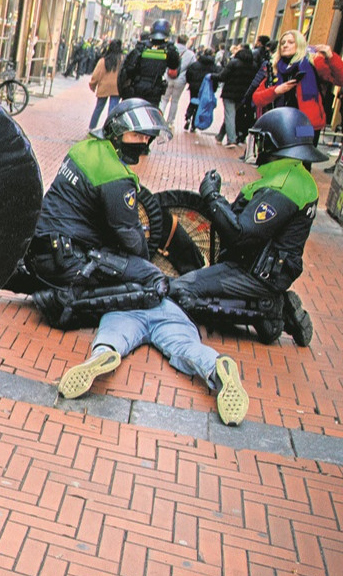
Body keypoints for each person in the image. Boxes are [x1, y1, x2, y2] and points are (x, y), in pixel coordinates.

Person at [170, 107, 323, 347]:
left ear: (277, 143)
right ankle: (268, 305)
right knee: (194, 276)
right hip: (266, 268)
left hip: (253, 272)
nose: (257, 146)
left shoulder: (283, 187)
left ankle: (271, 309)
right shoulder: (295, 175)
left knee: (180, 292)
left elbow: (240, 236)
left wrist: (212, 197)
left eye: (261, 140)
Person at [24, 99, 172, 328]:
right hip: (67, 261)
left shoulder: (84, 148)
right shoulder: (115, 176)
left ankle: (48, 286)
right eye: (136, 136)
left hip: (38, 250)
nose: (143, 143)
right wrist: (144, 263)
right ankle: (65, 301)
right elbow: (129, 235)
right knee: (153, 282)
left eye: (146, 137)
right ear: (116, 133)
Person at [58, 299, 248, 426]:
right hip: (169, 306)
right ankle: (215, 366)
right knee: (185, 347)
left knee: (114, 335)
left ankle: (102, 352)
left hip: (127, 302)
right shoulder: (179, 246)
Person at [251, 30, 343, 144]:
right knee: (279, 159)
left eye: (290, 42)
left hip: (307, 125)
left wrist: (330, 56)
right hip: (280, 125)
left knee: (301, 158)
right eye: (283, 42)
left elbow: (341, 79)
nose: (285, 45)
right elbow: (256, 98)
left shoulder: (313, 63)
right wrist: (275, 91)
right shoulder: (274, 69)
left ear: (300, 44)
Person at [118, 19, 181, 106]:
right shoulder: (169, 49)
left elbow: (128, 68)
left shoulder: (141, 46)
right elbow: (174, 66)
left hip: (137, 86)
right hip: (154, 89)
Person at [214, 45, 257, 147]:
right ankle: (220, 136)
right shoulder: (254, 65)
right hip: (242, 95)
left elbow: (222, 76)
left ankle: (231, 140)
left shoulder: (234, 62)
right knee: (230, 115)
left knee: (230, 115)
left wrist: (212, 76)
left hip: (229, 92)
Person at [87, 39, 122, 131]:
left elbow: (96, 74)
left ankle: (91, 127)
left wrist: (93, 85)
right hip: (116, 87)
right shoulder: (122, 60)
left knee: (98, 107)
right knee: (112, 109)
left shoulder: (104, 60)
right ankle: (109, 129)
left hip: (104, 86)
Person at [162, 35, 196, 127]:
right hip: (181, 80)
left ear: (177, 40)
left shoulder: (169, 50)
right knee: (175, 101)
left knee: (164, 99)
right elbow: (193, 67)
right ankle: (170, 122)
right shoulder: (190, 54)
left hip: (167, 77)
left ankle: (159, 119)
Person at [182, 49, 218, 132]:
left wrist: (190, 82)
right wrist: (214, 88)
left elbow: (188, 74)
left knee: (193, 101)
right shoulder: (214, 67)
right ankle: (194, 125)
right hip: (206, 89)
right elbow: (216, 78)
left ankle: (188, 116)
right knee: (200, 105)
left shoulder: (195, 64)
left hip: (194, 87)